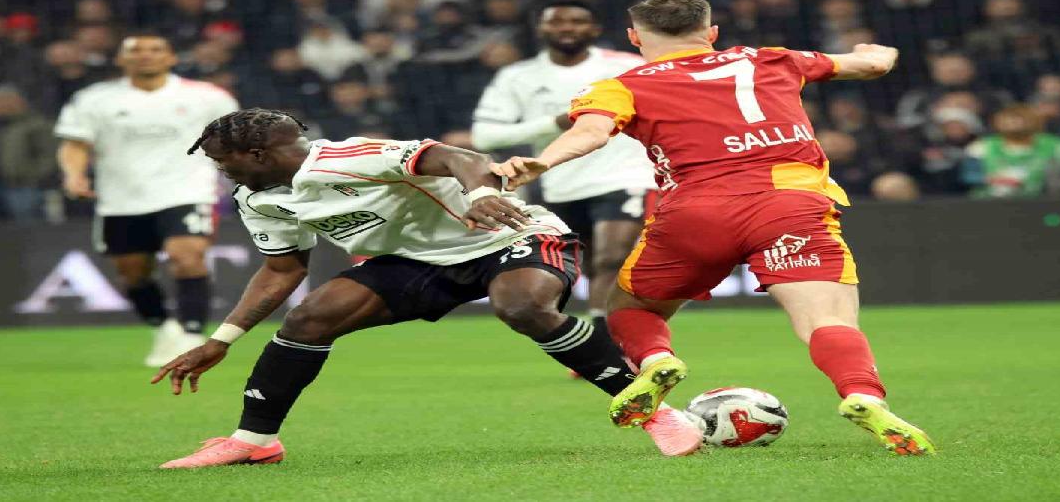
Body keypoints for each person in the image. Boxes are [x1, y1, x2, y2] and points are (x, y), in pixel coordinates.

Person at [493, 0, 936, 456]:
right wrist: (877, 51)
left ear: (634, 38)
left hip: (694, 212)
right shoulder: (771, 59)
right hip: (789, 205)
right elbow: (872, 66)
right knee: (827, 319)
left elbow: (590, 132)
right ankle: (863, 395)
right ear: (711, 33)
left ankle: (657, 361)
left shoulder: (620, 85)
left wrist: (543, 162)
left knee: (631, 306)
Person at [152, 109, 703, 468]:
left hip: (507, 234)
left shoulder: (348, 157)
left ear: (255, 155)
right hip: (416, 261)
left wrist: (480, 195)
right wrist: (221, 340)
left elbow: (461, 158)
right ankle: (253, 442)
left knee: (521, 307)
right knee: (308, 319)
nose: (220, 171)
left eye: (222, 161)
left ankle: (657, 413)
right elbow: (281, 270)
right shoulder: (258, 198)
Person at [471, 0, 656, 339]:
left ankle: (604, 337)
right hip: (558, 180)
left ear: (595, 29)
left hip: (625, 174)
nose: (567, 28)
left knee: (611, 258)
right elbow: (484, 135)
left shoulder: (627, 66)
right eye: (556, 22)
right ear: (541, 29)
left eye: (577, 21)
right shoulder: (517, 76)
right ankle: (585, 332)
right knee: (585, 262)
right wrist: (553, 123)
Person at [55, 34, 239, 366]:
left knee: (187, 255)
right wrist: (73, 175)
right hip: (120, 198)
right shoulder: (94, 99)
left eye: (155, 50)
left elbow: (233, 141)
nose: (145, 56)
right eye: (135, 51)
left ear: (171, 58)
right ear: (120, 60)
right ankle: (164, 328)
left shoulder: (208, 97)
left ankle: (192, 335)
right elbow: (75, 144)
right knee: (132, 272)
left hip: (187, 191)